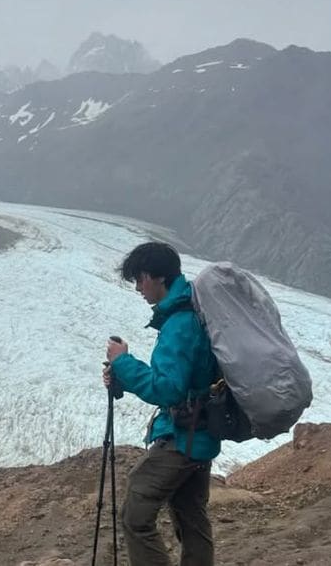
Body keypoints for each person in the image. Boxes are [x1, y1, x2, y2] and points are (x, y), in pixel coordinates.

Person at [103, 241, 220, 566]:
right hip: (202, 434)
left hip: (184, 437)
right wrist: (122, 374)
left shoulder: (179, 324)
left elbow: (168, 389)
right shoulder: (191, 312)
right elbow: (185, 379)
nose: (138, 288)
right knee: (191, 517)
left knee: (135, 516)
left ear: (159, 278)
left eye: (140, 279)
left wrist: (123, 362)